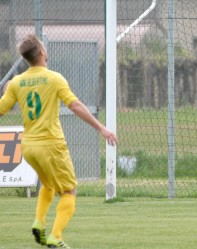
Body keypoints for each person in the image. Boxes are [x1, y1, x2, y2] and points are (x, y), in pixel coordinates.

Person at [0, 34, 118, 248]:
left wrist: (8, 89)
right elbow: (75, 105)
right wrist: (102, 128)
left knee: (48, 184)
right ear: (42, 53)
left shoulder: (17, 82)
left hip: (28, 147)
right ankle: (56, 236)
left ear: (26, 58)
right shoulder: (54, 78)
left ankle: (39, 222)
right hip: (50, 144)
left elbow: (1, 109)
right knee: (70, 191)